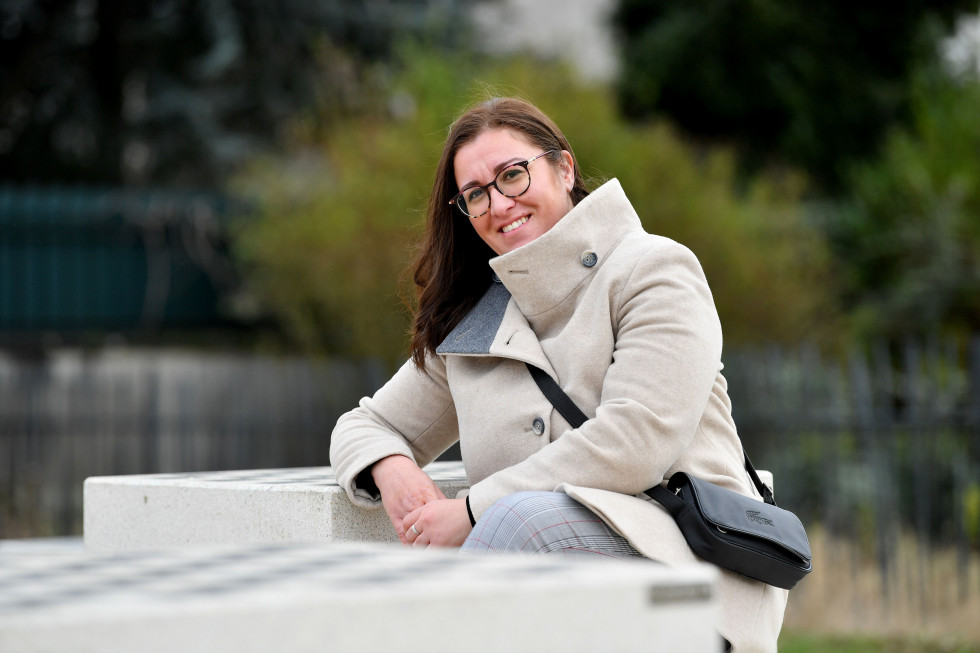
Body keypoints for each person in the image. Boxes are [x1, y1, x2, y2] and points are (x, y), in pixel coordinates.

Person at [329, 97, 787, 651]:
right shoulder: (479, 324)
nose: (499, 204)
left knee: (523, 522)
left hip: (687, 566)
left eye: (513, 175)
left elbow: (637, 438)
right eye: (476, 194)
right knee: (521, 529)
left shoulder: (653, 269)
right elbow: (364, 424)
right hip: (549, 584)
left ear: (564, 168)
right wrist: (394, 470)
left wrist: (475, 508)